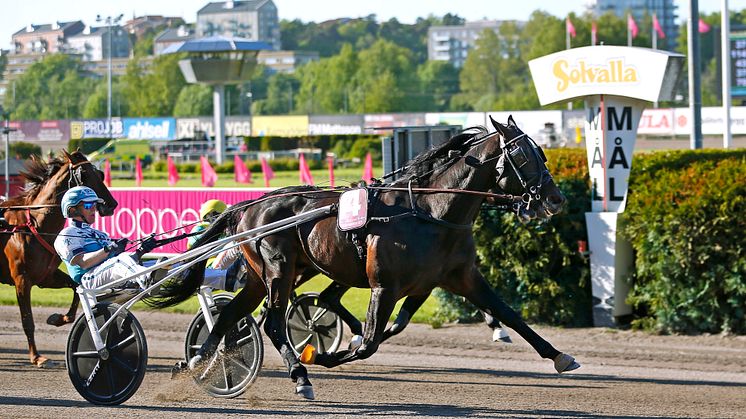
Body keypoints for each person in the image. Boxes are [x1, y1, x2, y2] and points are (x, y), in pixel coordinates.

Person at [54, 186, 150, 290]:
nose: (93, 209)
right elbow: (83, 263)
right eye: (88, 205)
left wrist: (141, 251)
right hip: (89, 279)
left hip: (107, 274)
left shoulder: (101, 234)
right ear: (73, 210)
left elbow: (120, 263)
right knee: (121, 261)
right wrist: (108, 249)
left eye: (94, 204)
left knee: (154, 263)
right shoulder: (66, 234)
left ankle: (149, 277)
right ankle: (146, 279)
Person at [188, 199, 246, 292]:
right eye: (219, 215)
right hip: (208, 269)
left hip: (218, 264)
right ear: (210, 215)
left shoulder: (224, 229)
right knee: (235, 244)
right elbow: (207, 245)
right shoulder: (199, 228)